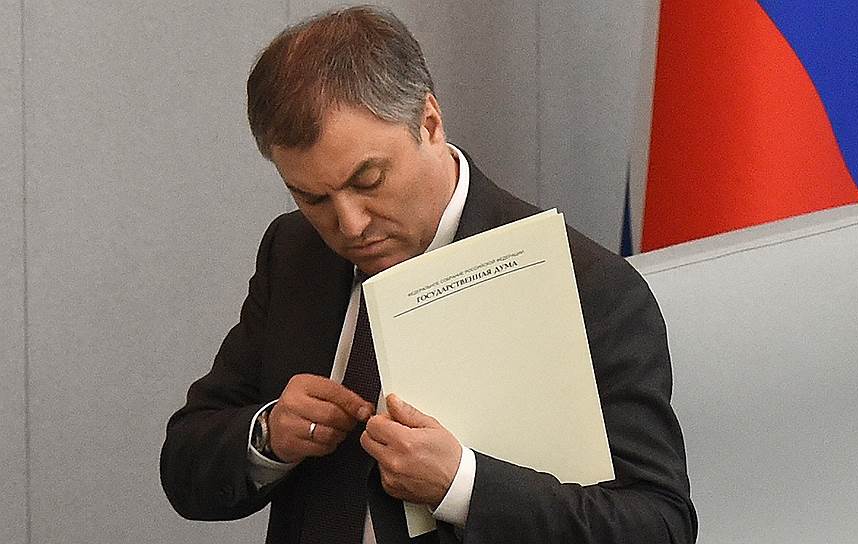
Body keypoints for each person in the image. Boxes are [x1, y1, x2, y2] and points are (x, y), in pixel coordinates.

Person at [160, 5, 697, 544]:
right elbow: (184, 466)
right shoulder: (293, 251)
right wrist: (269, 434)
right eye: (312, 198)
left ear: (430, 122)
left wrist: (463, 486)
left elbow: (659, 525)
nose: (350, 225)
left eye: (368, 180)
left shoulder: (590, 288)